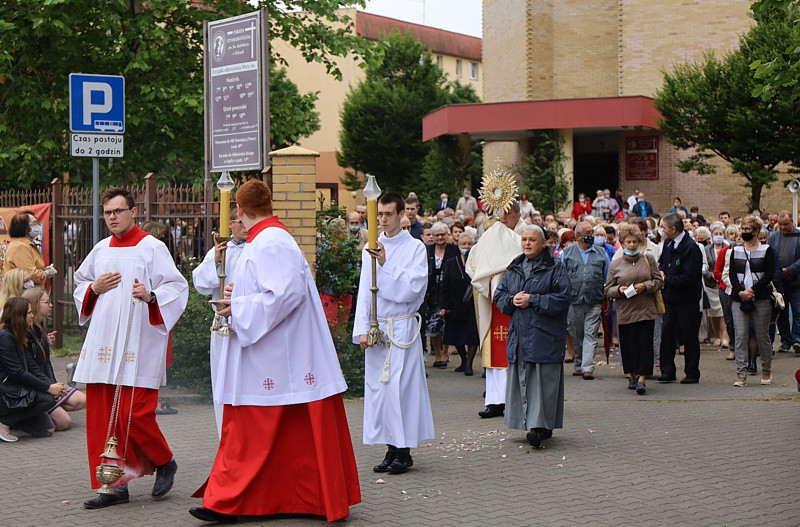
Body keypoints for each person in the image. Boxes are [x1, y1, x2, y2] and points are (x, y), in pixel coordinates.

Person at [190, 180, 360, 523]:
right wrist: (241, 293)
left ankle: (227, 501)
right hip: (277, 351)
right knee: (277, 431)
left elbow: (285, 295)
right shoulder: (268, 239)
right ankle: (276, 499)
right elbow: (271, 288)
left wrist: (237, 308)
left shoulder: (270, 241)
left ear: (239, 209)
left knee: (249, 431)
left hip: (277, 353)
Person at [73, 187, 188, 509]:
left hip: (139, 343)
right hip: (103, 345)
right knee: (101, 417)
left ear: (133, 212)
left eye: (118, 211)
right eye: (108, 212)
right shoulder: (100, 249)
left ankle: (165, 462)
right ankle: (113, 484)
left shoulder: (152, 248)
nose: (112, 217)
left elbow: (177, 287)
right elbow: (81, 283)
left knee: (135, 415)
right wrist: (92, 289)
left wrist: (151, 296)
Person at [353, 191, 433, 475]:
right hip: (378, 329)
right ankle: (390, 448)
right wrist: (363, 328)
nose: (383, 219)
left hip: (401, 327)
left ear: (401, 215)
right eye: (380, 214)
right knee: (381, 392)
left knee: (401, 389)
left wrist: (385, 265)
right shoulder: (369, 248)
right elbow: (364, 291)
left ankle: (404, 450)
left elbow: (413, 289)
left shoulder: (415, 248)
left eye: (388, 214)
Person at [494, 225, 570, 447]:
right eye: (524, 239)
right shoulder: (515, 266)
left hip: (544, 335)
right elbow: (500, 294)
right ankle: (527, 422)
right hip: (520, 334)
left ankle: (541, 427)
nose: (527, 243)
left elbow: (563, 298)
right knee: (524, 380)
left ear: (544, 243)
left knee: (543, 382)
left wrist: (533, 299)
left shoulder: (555, 266)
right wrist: (511, 300)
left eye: (532, 240)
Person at [191, 210, 248, 437]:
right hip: (222, 328)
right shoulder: (221, 251)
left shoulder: (258, 248)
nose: (245, 226)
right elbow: (201, 284)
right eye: (240, 222)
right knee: (222, 382)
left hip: (247, 326)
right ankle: (226, 438)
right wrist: (215, 261)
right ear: (230, 225)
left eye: (248, 221)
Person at [466, 212, 523, 419]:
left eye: (506, 215)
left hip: (514, 302)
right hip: (490, 302)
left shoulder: (523, 236)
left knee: (513, 353)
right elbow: (473, 263)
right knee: (492, 353)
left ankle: (515, 400)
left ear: (516, 213)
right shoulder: (485, 242)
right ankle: (494, 400)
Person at [604, 225, 663, 395]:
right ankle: (632, 375)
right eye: (628, 242)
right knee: (628, 346)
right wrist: (620, 290)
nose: (631, 245)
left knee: (645, 345)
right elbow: (608, 289)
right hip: (626, 310)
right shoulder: (615, 264)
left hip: (645, 309)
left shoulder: (648, 259)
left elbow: (659, 281)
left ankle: (642, 379)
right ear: (622, 243)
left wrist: (645, 286)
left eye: (634, 242)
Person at [0, 297, 66, 441]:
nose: (32, 315)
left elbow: (32, 367)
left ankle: (12, 419)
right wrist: (48, 388)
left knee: (46, 429)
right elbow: (17, 373)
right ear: (19, 316)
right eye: (29, 313)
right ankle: (4, 423)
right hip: (7, 391)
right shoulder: (4, 337)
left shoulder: (20, 335)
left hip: (17, 389)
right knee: (47, 399)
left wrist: (53, 385)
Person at [22, 287, 86, 431]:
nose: (51, 305)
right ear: (35, 305)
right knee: (64, 423)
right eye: (47, 302)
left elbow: (46, 363)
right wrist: (50, 388)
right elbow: (30, 368)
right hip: (35, 386)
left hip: (44, 383)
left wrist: (54, 384)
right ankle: (25, 417)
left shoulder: (40, 328)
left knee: (81, 400)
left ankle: (45, 409)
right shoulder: (26, 332)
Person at [727, 216, 776, 387]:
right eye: (743, 229)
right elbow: (732, 273)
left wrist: (753, 290)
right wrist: (740, 292)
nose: (744, 232)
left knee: (762, 336)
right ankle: (741, 374)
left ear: (756, 231)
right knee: (740, 335)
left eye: (747, 229)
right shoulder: (736, 250)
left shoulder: (767, 250)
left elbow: (770, 274)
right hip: (739, 299)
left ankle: (767, 371)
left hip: (761, 298)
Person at [657, 212, 703, 384]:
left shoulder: (691, 248)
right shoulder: (668, 244)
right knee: (667, 335)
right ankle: (667, 371)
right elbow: (663, 262)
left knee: (689, 336)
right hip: (669, 299)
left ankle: (692, 372)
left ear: (673, 229)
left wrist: (666, 279)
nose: (661, 230)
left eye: (663, 227)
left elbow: (690, 277)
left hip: (686, 300)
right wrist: (661, 270)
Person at [561, 222, 608, 380]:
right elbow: (561, 277)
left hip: (594, 299)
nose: (591, 235)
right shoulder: (567, 253)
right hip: (573, 300)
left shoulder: (601, 253)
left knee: (591, 333)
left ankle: (588, 367)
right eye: (588, 232)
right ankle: (579, 365)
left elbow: (606, 277)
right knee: (577, 334)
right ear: (578, 236)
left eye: (592, 232)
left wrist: (606, 297)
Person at [440, 233, 479, 376]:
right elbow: (445, 285)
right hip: (455, 304)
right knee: (456, 335)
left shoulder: (477, 261)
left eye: (469, 244)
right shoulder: (451, 262)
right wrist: (444, 305)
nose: (466, 247)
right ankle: (463, 360)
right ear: (458, 245)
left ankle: (469, 364)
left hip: (472, 304)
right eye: (464, 244)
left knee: (472, 335)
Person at [425, 222, 460, 368]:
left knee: (447, 324)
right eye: (437, 235)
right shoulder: (428, 250)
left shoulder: (453, 249)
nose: (440, 237)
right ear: (432, 236)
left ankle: (445, 353)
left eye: (442, 234)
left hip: (449, 291)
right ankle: (438, 354)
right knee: (433, 324)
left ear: (447, 235)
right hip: (432, 291)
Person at [768, 211, 800, 353]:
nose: (782, 227)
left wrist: (790, 270)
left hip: (796, 281)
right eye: (780, 224)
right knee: (782, 312)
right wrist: (779, 271)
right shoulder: (773, 237)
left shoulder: (798, 236)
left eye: (785, 224)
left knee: (798, 311)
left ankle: (797, 339)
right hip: (779, 282)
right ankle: (785, 340)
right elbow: (770, 256)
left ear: (792, 222)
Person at [2, 212, 56, 289]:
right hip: (23, 294)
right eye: (34, 223)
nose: (38, 226)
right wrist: (45, 273)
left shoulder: (26, 244)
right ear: (25, 228)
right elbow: (30, 274)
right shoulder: (20, 246)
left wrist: (43, 270)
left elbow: (30, 267)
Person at [699, 224, 729, 349]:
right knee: (714, 312)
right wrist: (712, 276)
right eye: (715, 234)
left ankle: (725, 337)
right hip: (711, 285)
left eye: (720, 234)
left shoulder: (728, 248)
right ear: (711, 236)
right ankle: (717, 336)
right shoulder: (706, 250)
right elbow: (705, 267)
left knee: (724, 311)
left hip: (725, 284)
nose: (718, 236)